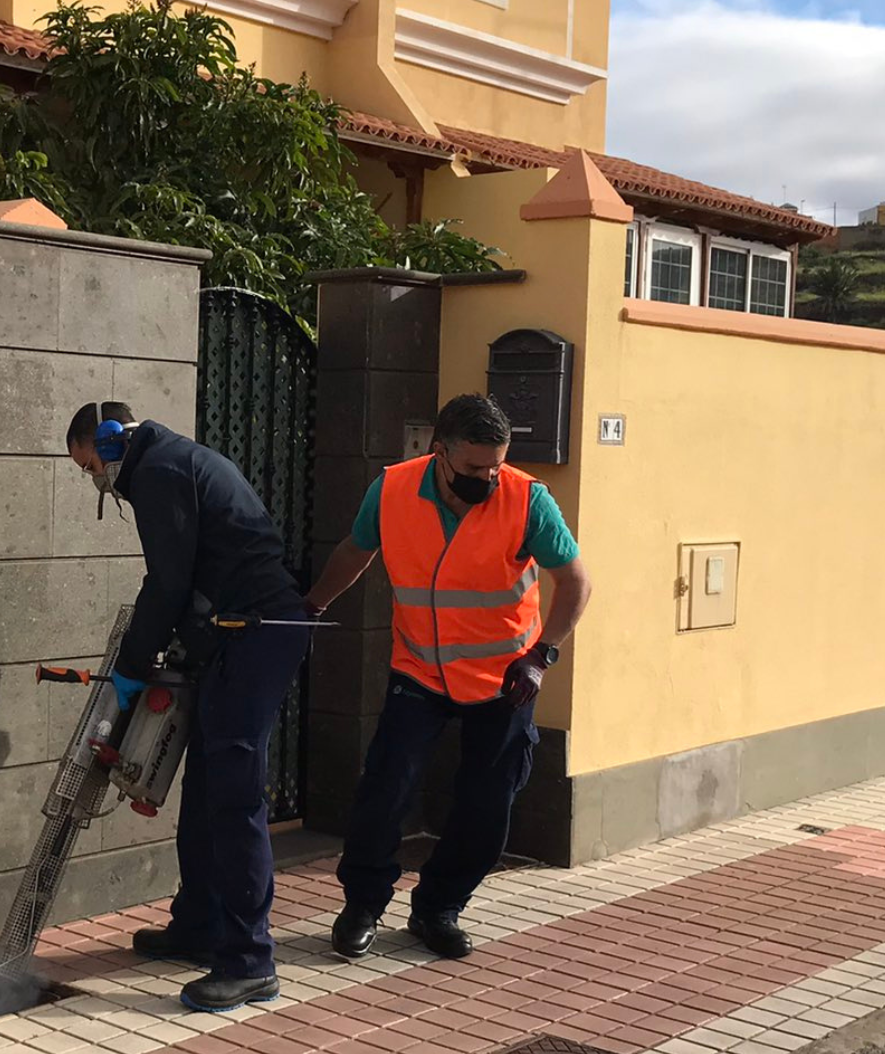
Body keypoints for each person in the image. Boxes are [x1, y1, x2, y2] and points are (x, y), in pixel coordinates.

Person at [303, 394, 592, 961]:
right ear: (440, 452)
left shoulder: (529, 500)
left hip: (502, 680)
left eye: (496, 466)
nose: (488, 477)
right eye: (475, 468)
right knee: (384, 790)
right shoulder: (392, 489)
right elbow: (355, 552)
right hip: (420, 671)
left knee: (488, 807)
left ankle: (438, 906)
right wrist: (311, 607)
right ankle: (362, 903)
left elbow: (576, 583)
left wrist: (541, 655)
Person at [66, 401, 310, 1012]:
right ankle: (199, 923)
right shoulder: (171, 460)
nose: (97, 481)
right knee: (204, 788)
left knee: (232, 797)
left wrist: (128, 669)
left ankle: (250, 960)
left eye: (91, 465)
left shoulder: (160, 472)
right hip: (235, 633)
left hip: (258, 633)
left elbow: (167, 583)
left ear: (112, 441)